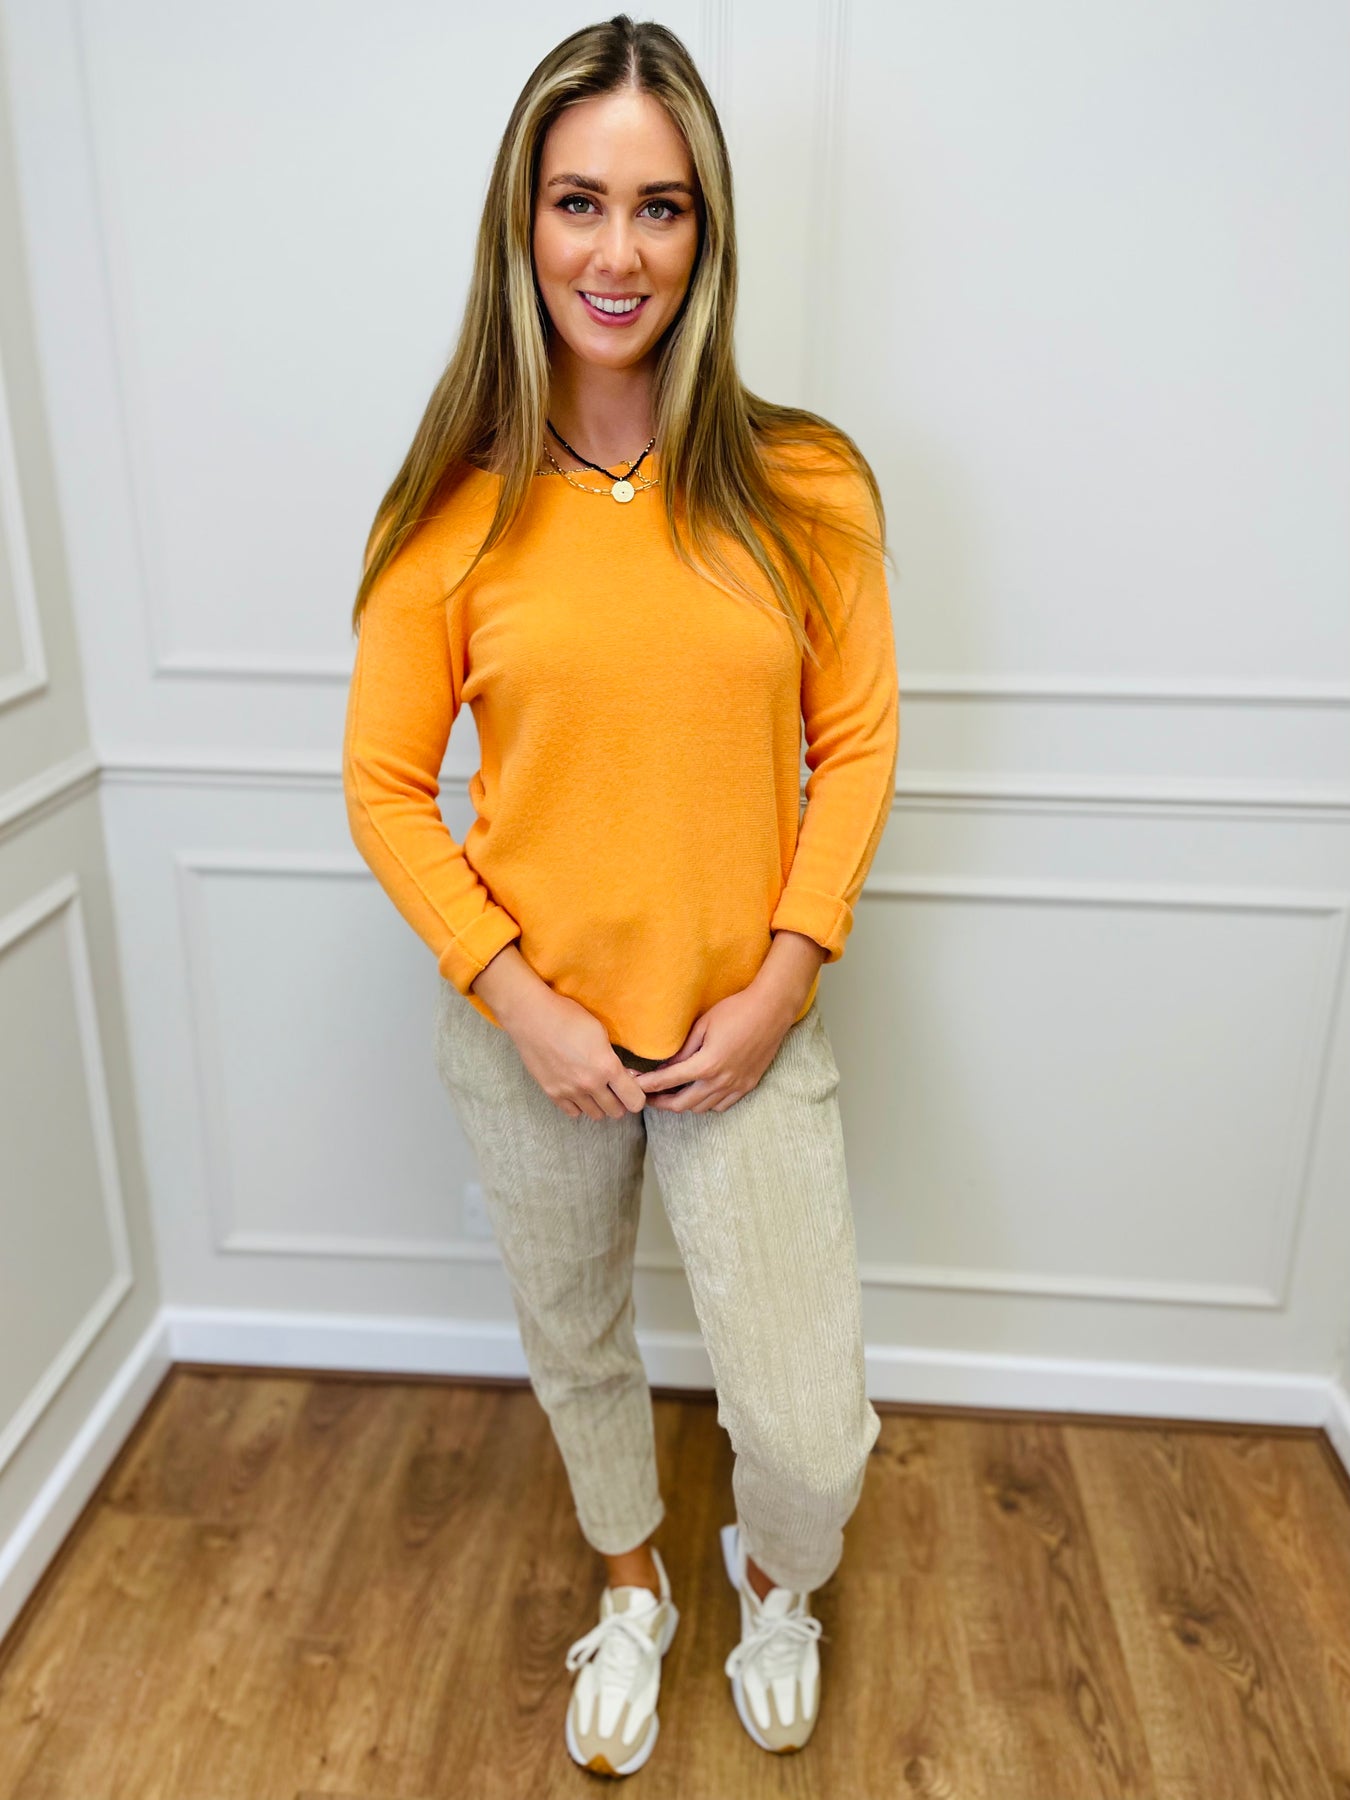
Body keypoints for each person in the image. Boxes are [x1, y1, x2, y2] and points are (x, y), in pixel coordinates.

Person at [342, 12, 900, 1779]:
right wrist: (522, 1005)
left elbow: (855, 747)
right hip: (534, 1037)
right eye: (578, 201)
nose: (616, 251)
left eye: (659, 208)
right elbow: (382, 787)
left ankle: (771, 1572)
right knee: (577, 1342)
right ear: (523, 222)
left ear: (704, 233)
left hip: (742, 1031)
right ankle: (633, 1584)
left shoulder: (806, 484)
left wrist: (783, 980)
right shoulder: (451, 510)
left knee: (806, 1426)